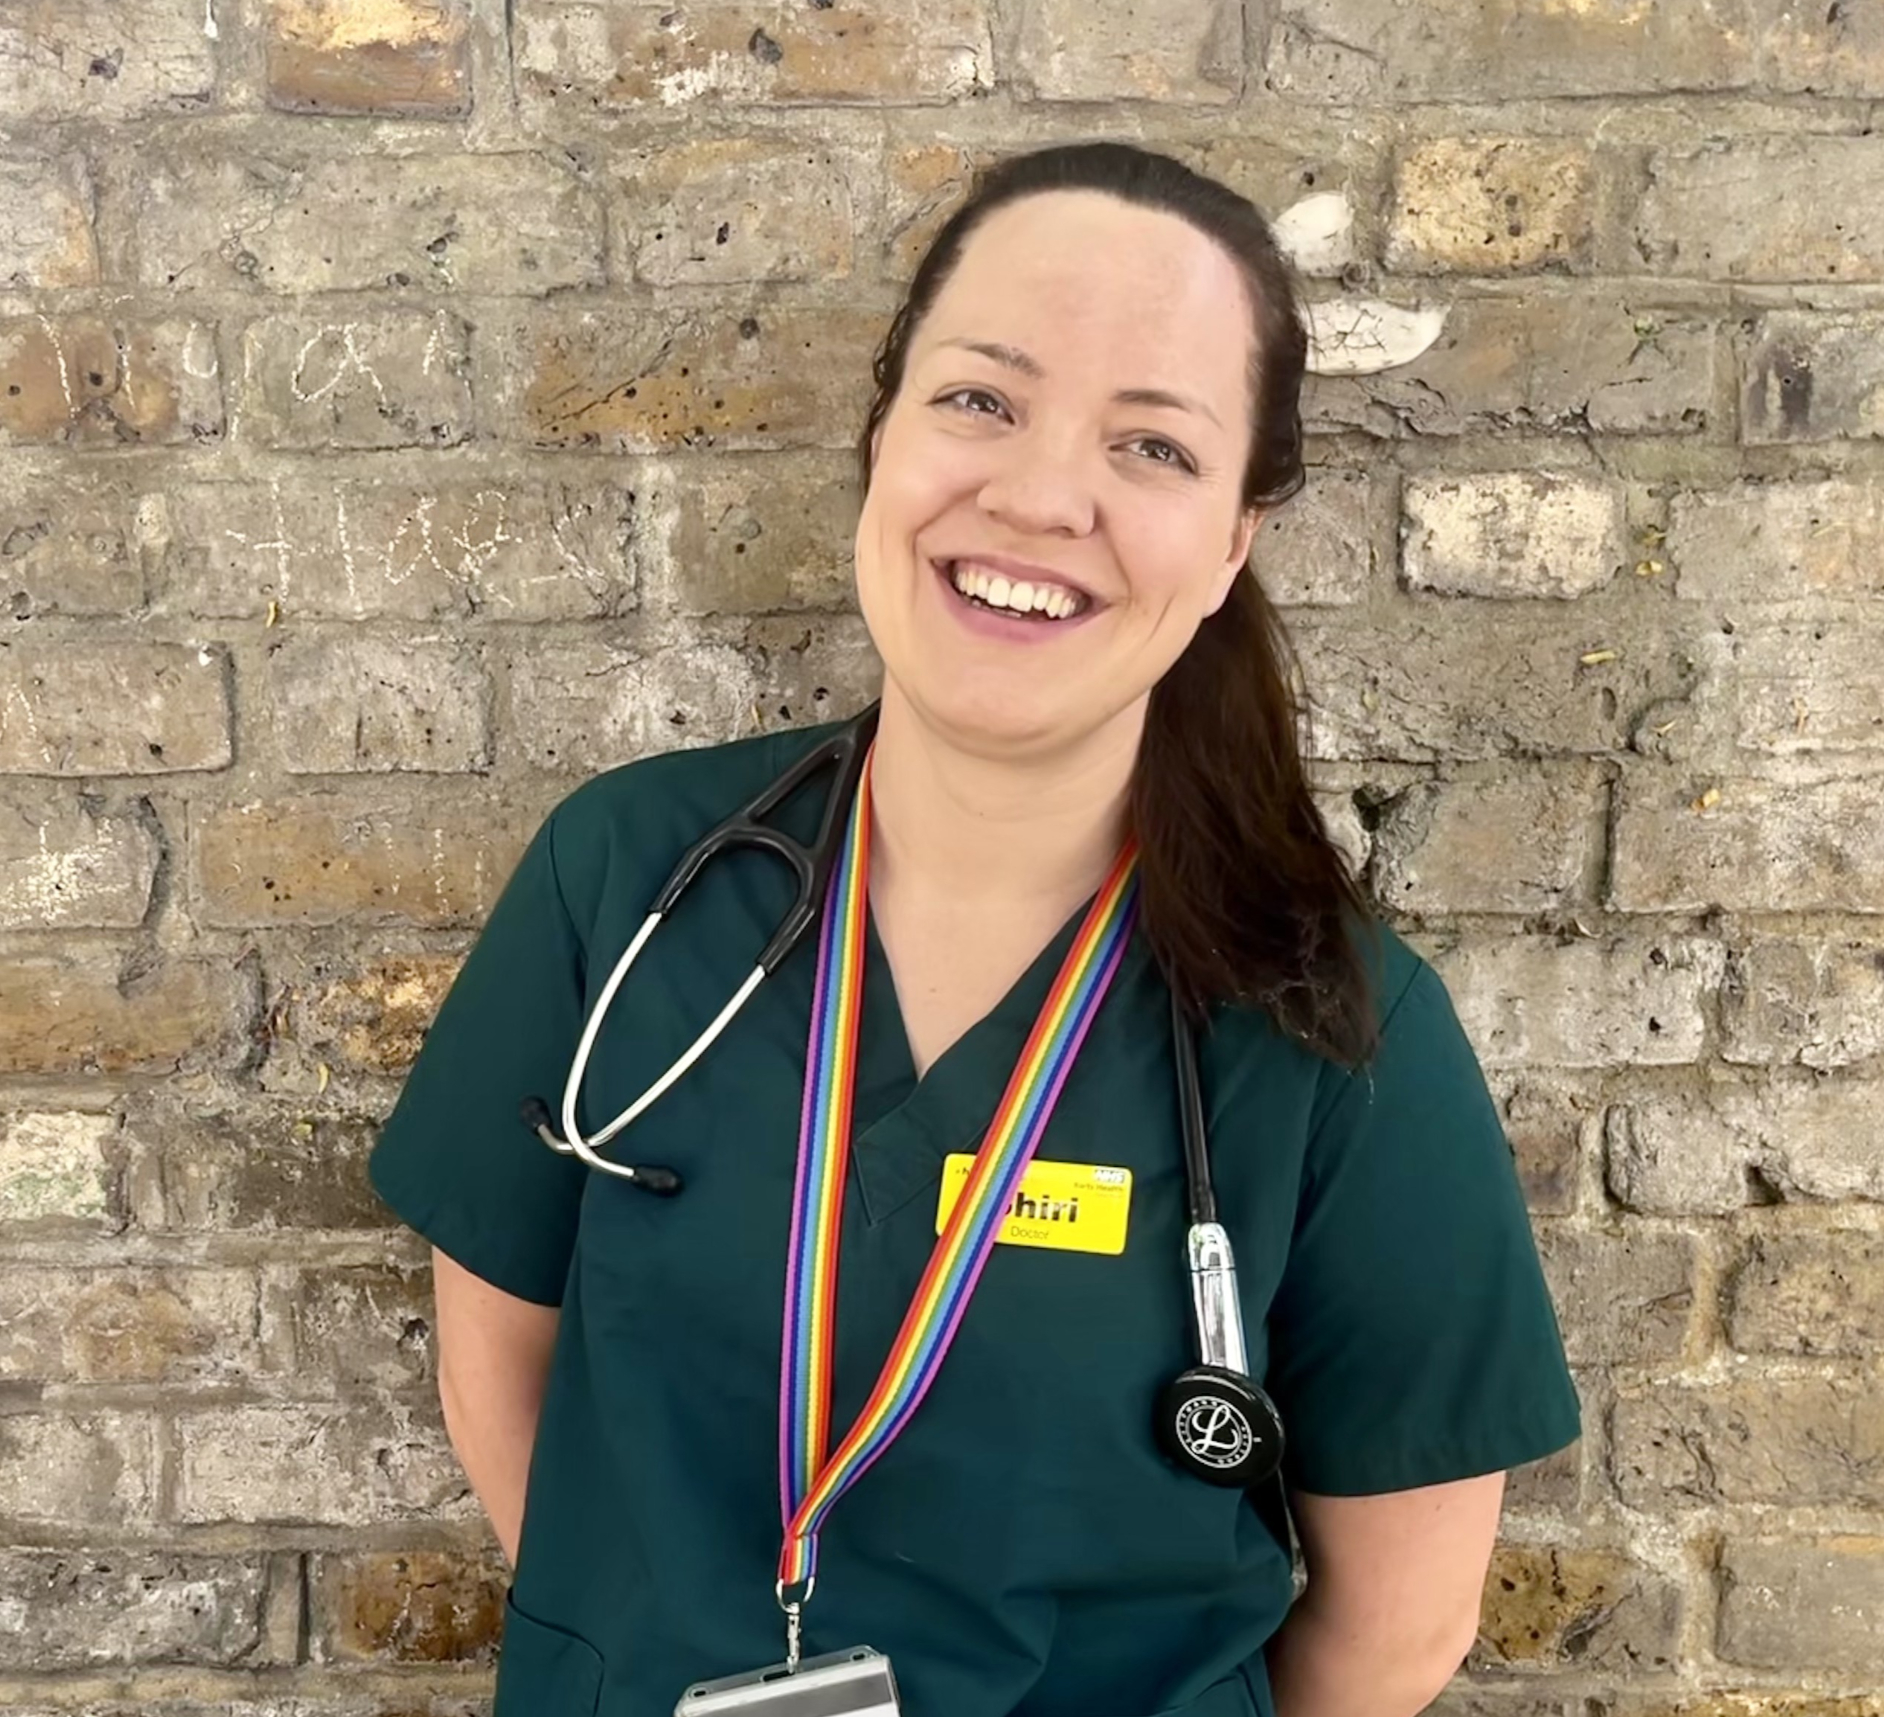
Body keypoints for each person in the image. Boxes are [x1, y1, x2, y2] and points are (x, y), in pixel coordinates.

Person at [367, 141, 1582, 1717]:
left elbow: (1400, 1624)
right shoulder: (628, 874)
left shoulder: (1335, 1037)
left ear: (1230, 541)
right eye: (981, 400)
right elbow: (500, 1368)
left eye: (1151, 446)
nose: (1039, 494)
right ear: (884, 433)